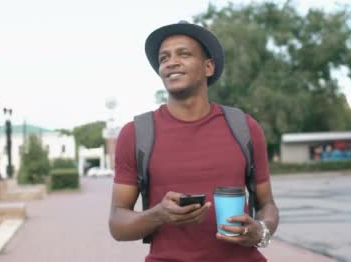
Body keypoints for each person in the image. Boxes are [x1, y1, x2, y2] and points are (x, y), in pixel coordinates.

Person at [108, 21, 279, 261]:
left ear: (208, 67)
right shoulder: (135, 133)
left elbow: (267, 205)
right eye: (164, 57)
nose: (171, 62)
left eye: (184, 54)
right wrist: (159, 215)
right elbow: (117, 223)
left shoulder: (244, 127)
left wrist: (260, 231)